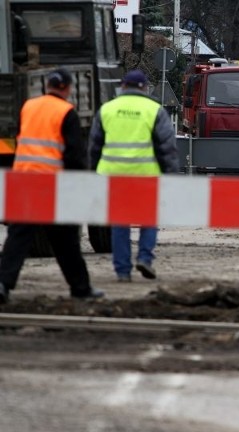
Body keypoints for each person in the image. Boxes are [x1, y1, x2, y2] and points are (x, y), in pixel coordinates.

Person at [0, 68, 103, 303]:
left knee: (18, 237)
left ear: (47, 86)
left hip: (25, 180)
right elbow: (74, 155)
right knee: (66, 240)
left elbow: (19, 139)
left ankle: (3, 284)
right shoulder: (66, 112)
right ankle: (80, 288)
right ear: (67, 88)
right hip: (51, 185)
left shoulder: (29, 106)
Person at [88, 69, 179, 282]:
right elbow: (167, 147)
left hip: (112, 177)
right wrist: (171, 176)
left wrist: (92, 174)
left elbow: (94, 146)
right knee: (149, 218)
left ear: (123, 86)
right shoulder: (154, 110)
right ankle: (145, 258)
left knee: (120, 224)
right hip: (145, 176)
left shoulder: (107, 109)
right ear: (144, 88)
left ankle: (122, 271)